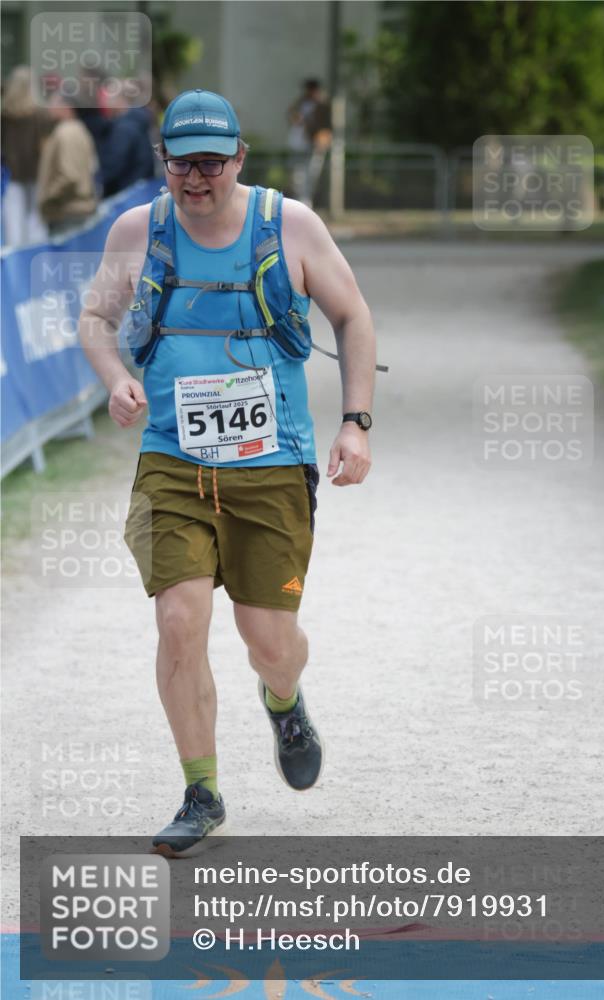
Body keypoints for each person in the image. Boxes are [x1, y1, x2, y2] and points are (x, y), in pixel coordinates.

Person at [79, 89, 376, 856]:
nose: (197, 178)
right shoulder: (137, 232)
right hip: (171, 460)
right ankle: (201, 792)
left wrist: (355, 421)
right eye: (182, 163)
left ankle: (283, 699)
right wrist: (116, 378)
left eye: (212, 162)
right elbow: (96, 319)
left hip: (271, 464)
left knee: (268, 640)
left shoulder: (291, 226)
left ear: (240, 158)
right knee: (179, 620)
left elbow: (353, 315)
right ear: (164, 161)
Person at [1, 65, 52, 246]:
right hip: (37, 171)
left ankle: (15, 259)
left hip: (12, 174)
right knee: (36, 221)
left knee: (13, 222)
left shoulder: (4, 115)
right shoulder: (41, 114)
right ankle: (35, 255)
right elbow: (45, 146)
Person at [37, 93, 99, 236]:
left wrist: (47, 198)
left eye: (54, 103)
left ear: (67, 107)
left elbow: (70, 176)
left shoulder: (65, 133)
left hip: (68, 210)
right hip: (77, 209)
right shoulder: (78, 128)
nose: (49, 108)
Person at [286, 78, 332, 208]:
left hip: (315, 144)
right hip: (299, 144)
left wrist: (322, 141)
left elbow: (326, 126)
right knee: (297, 175)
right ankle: (300, 202)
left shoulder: (323, 105)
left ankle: (306, 202)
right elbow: (291, 116)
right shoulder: (300, 103)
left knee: (312, 174)